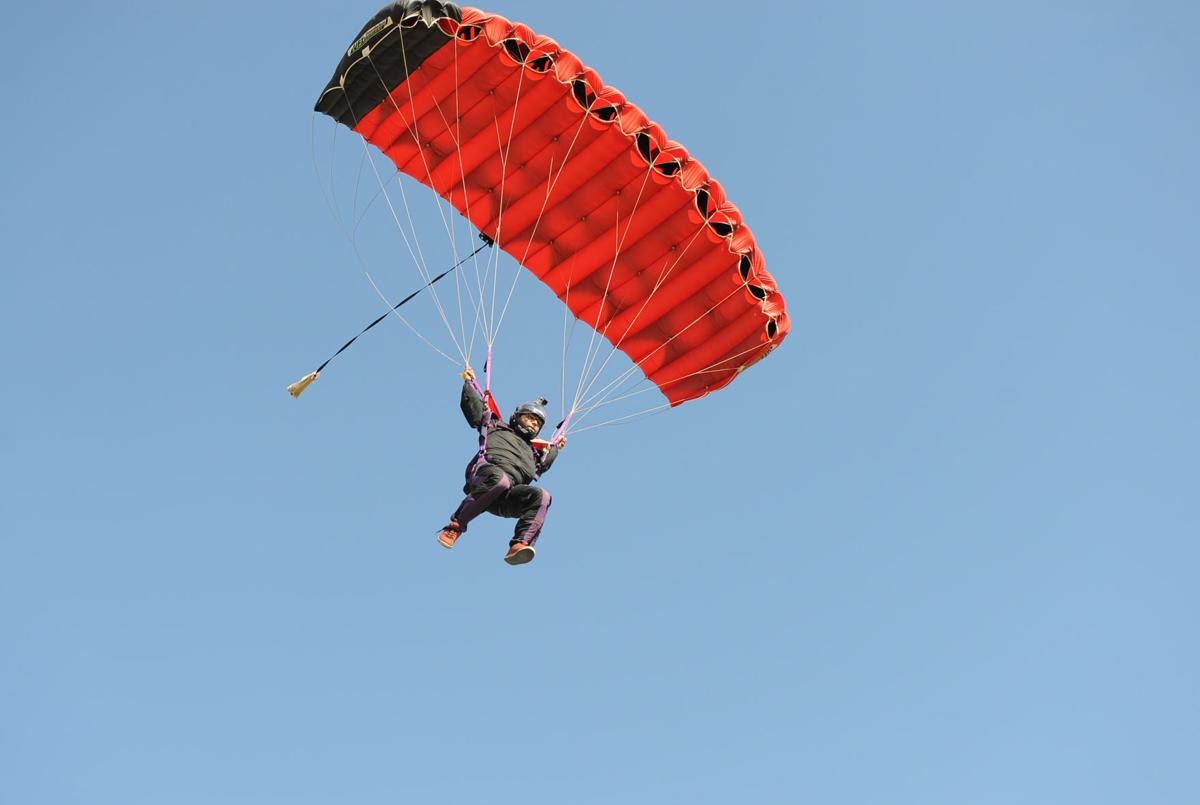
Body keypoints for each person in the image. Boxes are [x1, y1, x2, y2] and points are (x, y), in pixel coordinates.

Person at [437, 367, 567, 565]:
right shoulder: (495, 425)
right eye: (529, 418)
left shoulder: (535, 453)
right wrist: (469, 382)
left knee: (543, 496)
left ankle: (519, 545)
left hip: (505, 497)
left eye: (537, 423)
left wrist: (556, 447)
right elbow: (474, 408)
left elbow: (545, 463)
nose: (533, 424)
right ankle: (455, 526)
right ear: (516, 416)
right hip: (484, 477)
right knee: (501, 480)